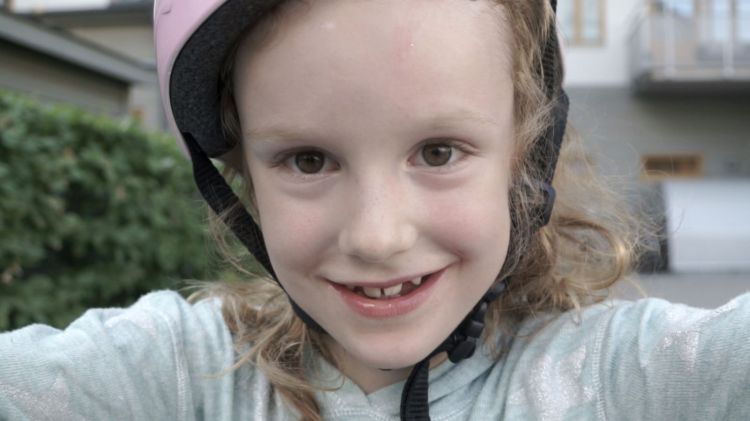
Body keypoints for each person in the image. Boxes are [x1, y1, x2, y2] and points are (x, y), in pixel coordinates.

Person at [1, 0, 749, 420]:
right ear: (241, 176)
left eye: (438, 152)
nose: (377, 236)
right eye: (308, 160)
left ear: (525, 150)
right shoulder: (175, 377)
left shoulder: (635, 381)